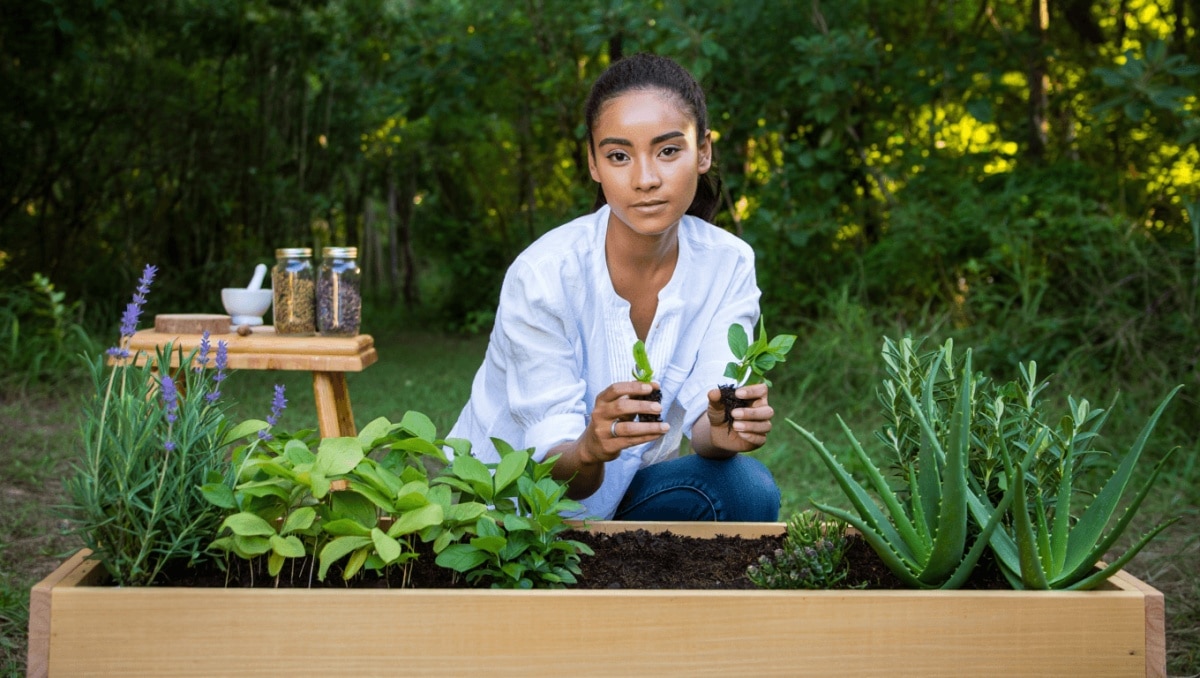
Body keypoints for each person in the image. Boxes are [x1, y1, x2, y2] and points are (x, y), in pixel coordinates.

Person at [447, 53, 780, 522]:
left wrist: (724, 431)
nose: (645, 179)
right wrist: (588, 448)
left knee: (747, 488)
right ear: (594, 164)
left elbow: (710, 416)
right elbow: (549, 470)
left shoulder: (728, 264)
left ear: (703, 151)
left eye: (668, 151)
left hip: (621, 497)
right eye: (619, 156)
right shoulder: (545, 275)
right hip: (509, 508)